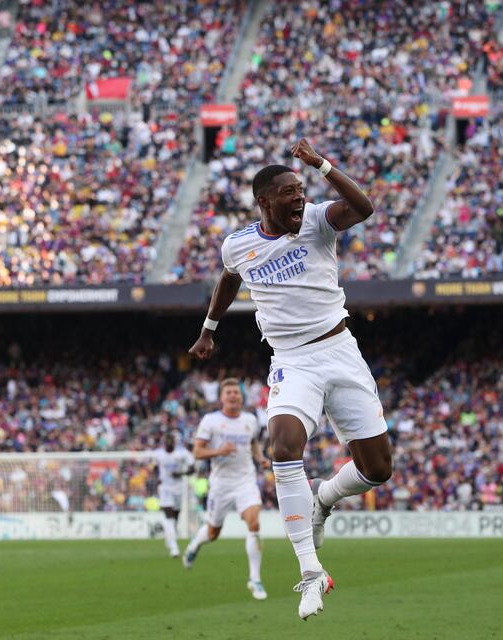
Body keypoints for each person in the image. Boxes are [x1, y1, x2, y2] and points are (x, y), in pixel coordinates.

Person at [189, 139, 394, 620]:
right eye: (289, 191)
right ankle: (310, 572)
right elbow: (229, 279)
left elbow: (363, 207)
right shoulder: (239, 244)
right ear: (265, 200)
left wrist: (321, 163)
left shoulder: (321, 221)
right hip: (291, 360)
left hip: (340, 349)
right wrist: (208, 330)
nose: (300, 196)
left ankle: (324, 496)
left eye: (302, 189)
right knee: (282, 445)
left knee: (377, 469)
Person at [182, 378, 269, 601]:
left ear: (241, 397)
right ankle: (195, 544)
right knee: (213, 532)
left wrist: (260, 458)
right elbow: (197, 452)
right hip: (220, 484)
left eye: (236, 392)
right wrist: (219, 451)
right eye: (228, 392)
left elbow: (253, 443)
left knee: (254, 522)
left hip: (245, 480)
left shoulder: (250, 420)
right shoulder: (210, 421)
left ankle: (255, 578)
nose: (232, 396)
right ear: (221, 397)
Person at [154, 432, 195, 557]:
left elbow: (192, 468)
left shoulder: (182, 454)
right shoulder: (158, 454)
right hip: (165, 488)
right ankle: (174, 547)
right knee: (169, 516)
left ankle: (170, 537)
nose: (169, 444)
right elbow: (155, 467)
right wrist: (158, 478)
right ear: (164, 443)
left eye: (171, 442)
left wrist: (181, 473)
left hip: (178, 489)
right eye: (167, 442)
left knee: (175, 516)